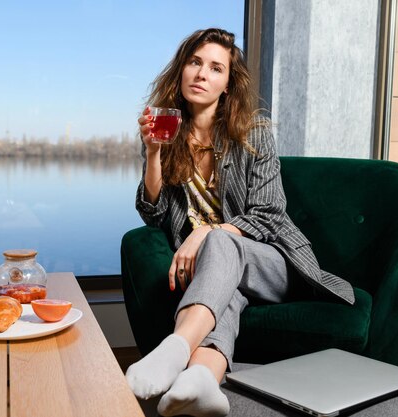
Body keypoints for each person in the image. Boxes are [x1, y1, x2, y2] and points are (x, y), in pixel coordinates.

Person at [125, 28, 355, 417]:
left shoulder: (255, 133)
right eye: (195, 62)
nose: (202, 74)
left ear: (228, 84)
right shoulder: (171, 135)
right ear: (181, 71)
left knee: (220, 244)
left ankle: (174, 349)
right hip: (218, 272)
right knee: (224, 296)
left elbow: (268, 214)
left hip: (273, 262)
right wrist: (152, 155)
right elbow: (155, 213)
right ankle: (200, 380)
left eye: (216, 68)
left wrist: (205, 233)